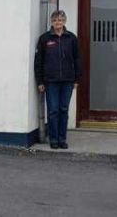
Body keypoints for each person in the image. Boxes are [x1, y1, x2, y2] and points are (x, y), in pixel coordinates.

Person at [34, 10, 81, 149]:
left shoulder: (71, 38)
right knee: (53, 110)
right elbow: (38, 61)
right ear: (51, 22)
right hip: (51, 81)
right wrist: (40, 81)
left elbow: (77, 59)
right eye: (55, 20)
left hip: (68, 80)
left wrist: (76, 79)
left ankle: (62, 139)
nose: (57, 23)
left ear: (64, 21)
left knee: (63, 109)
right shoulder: (44, 38)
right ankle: (53, 139)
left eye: (60, 20)